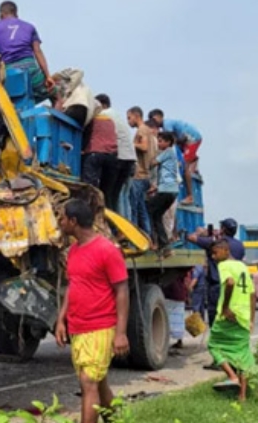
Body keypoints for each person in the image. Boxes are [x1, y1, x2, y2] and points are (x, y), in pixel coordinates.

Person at [55, 198, 130, 423]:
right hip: (78, 327)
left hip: (101, 326)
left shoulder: (107, 250)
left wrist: (120, 333)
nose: (59, 222)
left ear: (73, 221)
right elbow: (72, 285)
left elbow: (122, 290)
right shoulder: (73, 251)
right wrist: (61, 320)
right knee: (98, 381)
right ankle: (117, 420)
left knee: (88, 382)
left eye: (62, 218)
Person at [206, 239, 256, 401]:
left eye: (215, 253)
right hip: (244, 316)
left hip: (228, 315)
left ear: (226, 251)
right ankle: (242, 396)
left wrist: (226, 307)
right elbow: (252, 294)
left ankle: (232, 376)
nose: (213, 257)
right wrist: (252, 319)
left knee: (213, 345)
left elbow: (230, 283)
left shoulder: (224, 265)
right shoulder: (242, 266)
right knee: (242, 354)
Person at [148, 109, 202, 206]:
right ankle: (194, 163)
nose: (154, 122)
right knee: (182, 156)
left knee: (185, 167)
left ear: (160, 117)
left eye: (154, 119)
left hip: (192, 139)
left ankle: (190, 196)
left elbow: (171, 142)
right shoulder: (168, 124)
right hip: (188, 139)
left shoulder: (167, 124)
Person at [95, 94, 137, 219]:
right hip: (129, 159)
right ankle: (121, 225)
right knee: (116, 195)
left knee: (107, 193)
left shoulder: (104, 114)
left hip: (119, 157)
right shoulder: (116, 115)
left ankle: (111, 223)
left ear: (102, 105)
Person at [82, 101, 119, 207]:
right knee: (107, 192)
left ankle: (89, 210)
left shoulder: (92, 120)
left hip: (95, 153)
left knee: (90, 187)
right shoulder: (110, 121)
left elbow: (86, 136)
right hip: (112, 156)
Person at [147, 132, 179, 252]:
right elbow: (167, 176)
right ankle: (163, 244)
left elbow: (152, 163)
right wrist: (156, 188)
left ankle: (153, 240)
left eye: (160, 141)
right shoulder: (171, 154)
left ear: (168, 142)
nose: (158, 144)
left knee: (149, 209)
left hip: (167, 190)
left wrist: (148, 155)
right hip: (170, 190)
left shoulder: (168, 152)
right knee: (157, 215)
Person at [126, 107, 156, 236]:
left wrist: (129, 144)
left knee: (133, 208)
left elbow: (144, 147)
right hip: (146, 175)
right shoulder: (150, 131)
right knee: (142, 209)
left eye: (129, 118)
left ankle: (134, 237)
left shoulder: (142, 130)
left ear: (136, 116)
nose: (128, 121)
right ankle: (147, 236)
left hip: (139, 175)